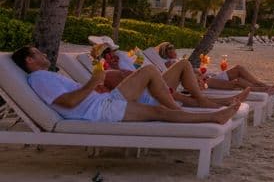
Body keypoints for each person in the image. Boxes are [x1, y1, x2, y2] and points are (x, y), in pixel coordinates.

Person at [15, 46, 239, 125]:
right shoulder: (39, 79)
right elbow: (70, 101)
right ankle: (206, 114)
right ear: (29, 61)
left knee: (151, 73)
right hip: (100, 111)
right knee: (161, 111)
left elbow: (74, 96)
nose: (43, 54)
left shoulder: (47, 76)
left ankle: (188, 110)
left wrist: (97, 85)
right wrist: (94, 81)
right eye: (37, 53)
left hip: (103, 102)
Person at [90, 42, 248, 109]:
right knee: (184, 66)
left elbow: (138, 65)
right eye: (108, 54)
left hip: (151, 88)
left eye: (112, 52)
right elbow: (126, 84)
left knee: (184, 93)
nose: (113, 55)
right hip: (148, 94)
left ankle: (221, 101)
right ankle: (207, 101)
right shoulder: (103, 72)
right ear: (102, 58)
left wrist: (123, 62)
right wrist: (114, 67)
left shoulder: (120, 64)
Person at [155, 42, 274, 94]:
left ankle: (265, 87)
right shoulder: (170, 63)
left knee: (239, 71)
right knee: (237, 80)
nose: (174, 50)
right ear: (165, 53)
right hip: (205, 82)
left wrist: (199, 71)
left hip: (207, 77)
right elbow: (186, 76)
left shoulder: (177, 61)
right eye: (170, 49)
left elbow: (193, 72)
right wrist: (198, 73)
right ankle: (265, 89)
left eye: (173, 48)